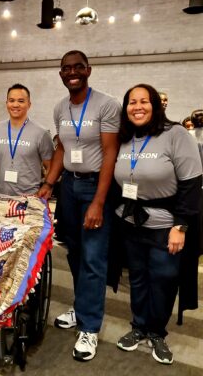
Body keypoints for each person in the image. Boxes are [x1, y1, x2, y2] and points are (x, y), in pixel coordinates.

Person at [38, 50, 121, 361]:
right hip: (70, 187)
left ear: (89, 70)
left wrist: (99, 201)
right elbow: (62, 148)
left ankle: (89, 326)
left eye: (78, 67)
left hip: (95, 185)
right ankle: (82, 305)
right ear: (61, 74)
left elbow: (110, 153)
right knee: (73, 250)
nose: (72, 72)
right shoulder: (61, 107)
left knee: (94, 257)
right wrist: (49, 183)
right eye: (66, 68)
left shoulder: (107, 105)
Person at [113, 84, 202, 365]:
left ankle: (156, 332)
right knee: (137, 277)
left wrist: (181, 226)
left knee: (163, 279)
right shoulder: (126, 138)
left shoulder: (175, 134)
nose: (137, 107)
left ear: (156, 105)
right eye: (131, 102)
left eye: (144, 101)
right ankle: (138, 326)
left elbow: (191, 184)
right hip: (130, 221)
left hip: (166, 225)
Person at [0, 83, 54, 196]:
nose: (15, 105)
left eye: (21, 101)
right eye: (11, 100)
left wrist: (46, 188)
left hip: (29, 199)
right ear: (6, 103)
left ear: (29, 104)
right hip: (0, 198)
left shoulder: (41, 133)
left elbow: (51, 167)